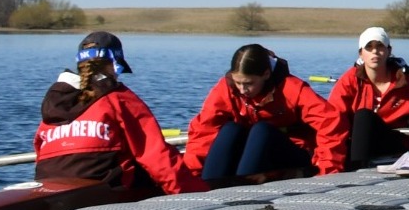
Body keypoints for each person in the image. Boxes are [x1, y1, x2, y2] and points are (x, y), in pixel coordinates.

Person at [34, 32, 205, 195]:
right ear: (114, 65)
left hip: (50, 191)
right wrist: (195, 195)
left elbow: (40, 152)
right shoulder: (119, 99)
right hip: (105, 196)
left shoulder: (54, 103)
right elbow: (156, 157)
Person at [185, 44, 347, 183]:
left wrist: (327, 170)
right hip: (253, 156)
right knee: (230, 130)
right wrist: (190, 175)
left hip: (292, 154)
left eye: (249, 83)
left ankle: (244, 184)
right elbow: (203, 132)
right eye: (238, 82)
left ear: (266, 75)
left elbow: (331, 123)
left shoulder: (292, 88)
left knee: (261, 130)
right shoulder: (226, 89)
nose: (242, 90)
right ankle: (205, 184)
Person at [326, 26, 409, 168]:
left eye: (380, 46)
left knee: (363, 115)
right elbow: (332, 124)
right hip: (357, 147)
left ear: (389, 51)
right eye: (369, 47)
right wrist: (330, 166)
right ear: (361, 54)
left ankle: (358, 167)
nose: (375, 51)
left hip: (393, 149)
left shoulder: (406, 83)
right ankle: (354, 168)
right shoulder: (349, 81)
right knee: (363, 117)